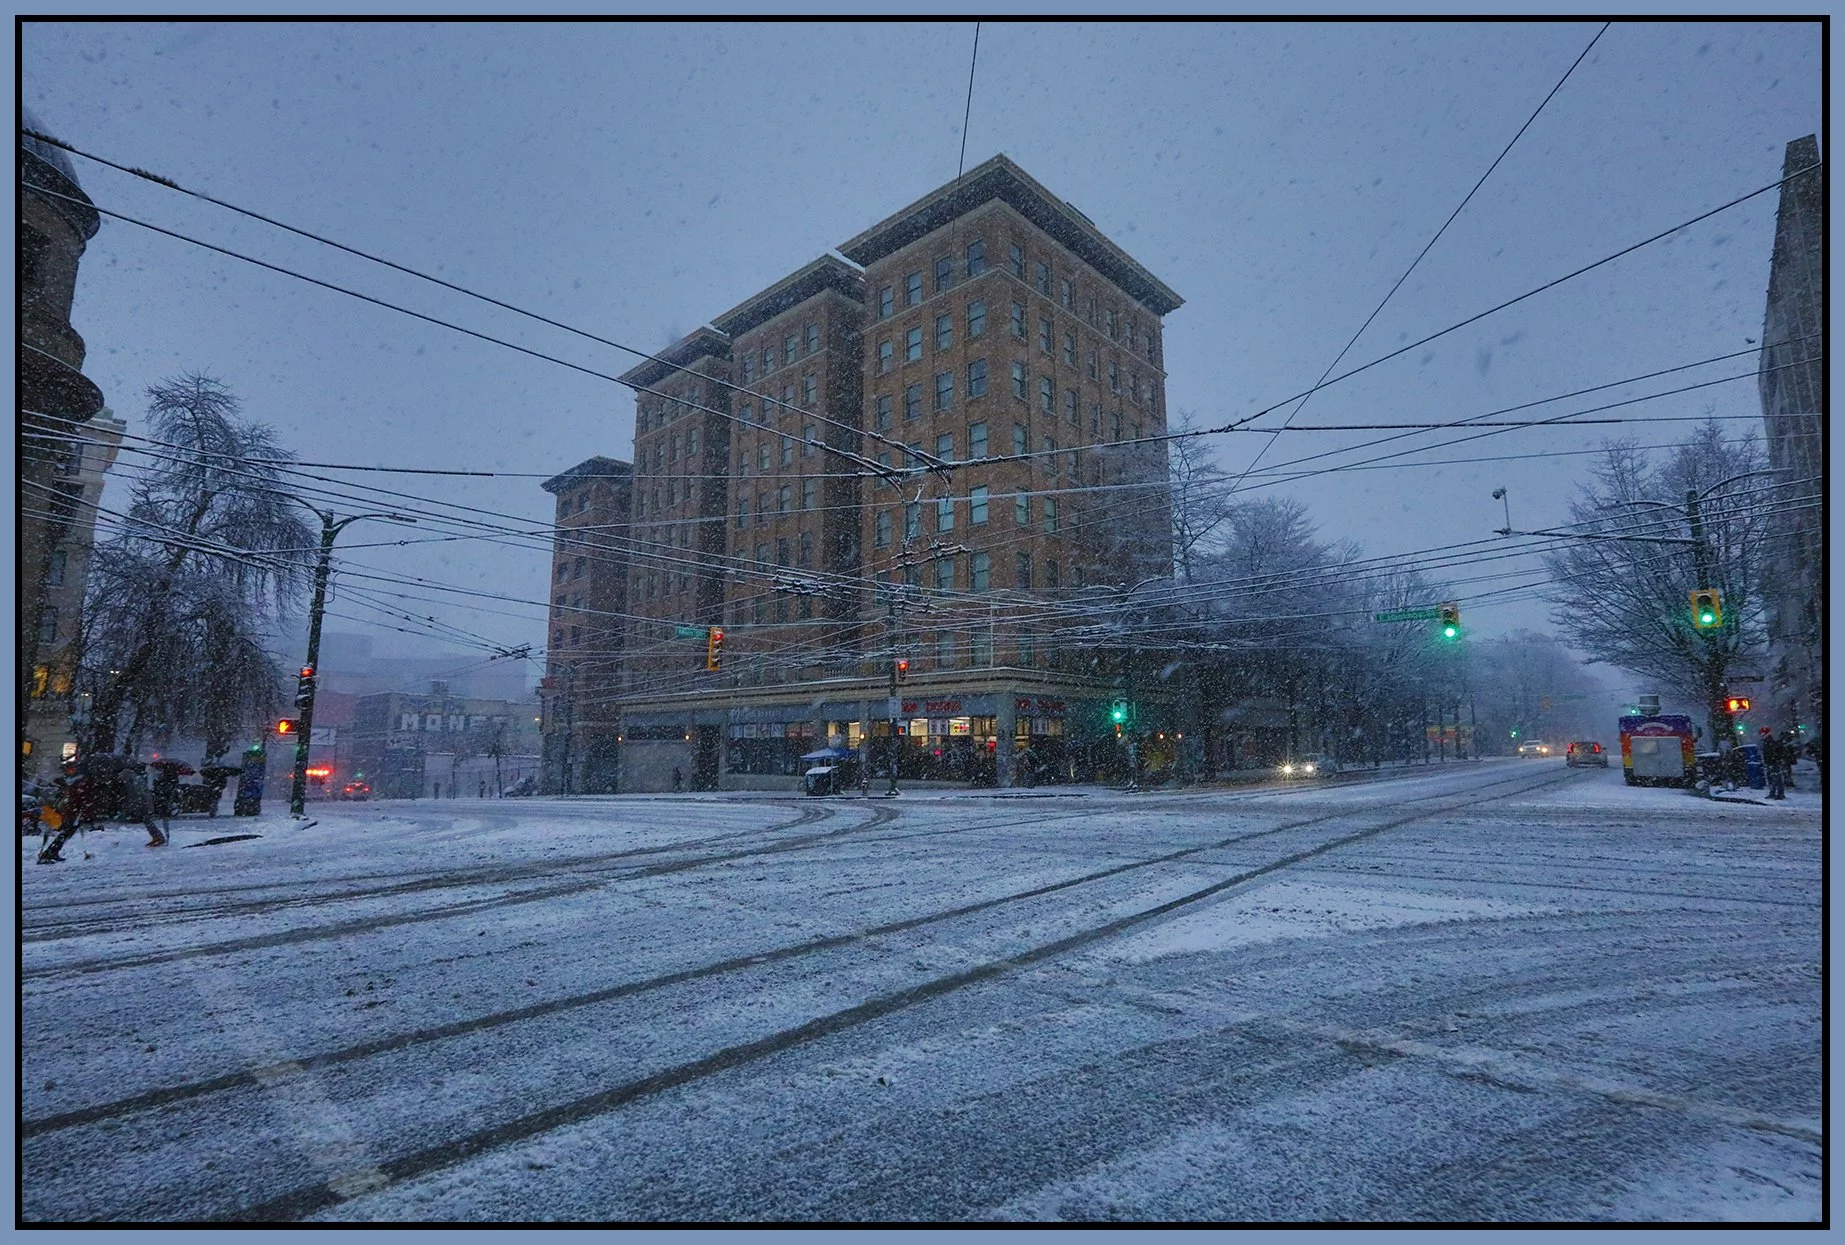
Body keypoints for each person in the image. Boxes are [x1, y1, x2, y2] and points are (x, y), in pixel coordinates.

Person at [1760, 727, 1786, 799]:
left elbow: (1769, 753)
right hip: (1772, 762)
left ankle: (1777, 793)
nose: (1761, 734)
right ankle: (1776, 793)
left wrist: (1770, 762)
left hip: (1772, 762)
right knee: (1775, 778)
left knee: (1775, 778)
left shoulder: (1768, 741)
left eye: (1762, 733)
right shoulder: (1768, 741)